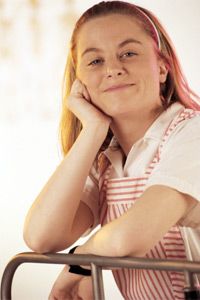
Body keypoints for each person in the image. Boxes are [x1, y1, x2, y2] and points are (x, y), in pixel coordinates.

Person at [23, 1, 200, 299]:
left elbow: (129, 238)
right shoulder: (106, 160)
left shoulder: (192, 133)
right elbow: (42, 236)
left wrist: (79, 260)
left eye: (128, 53)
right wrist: (92, 130)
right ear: (80, 82)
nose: (114, 69)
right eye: (95, 61)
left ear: (162, 67)